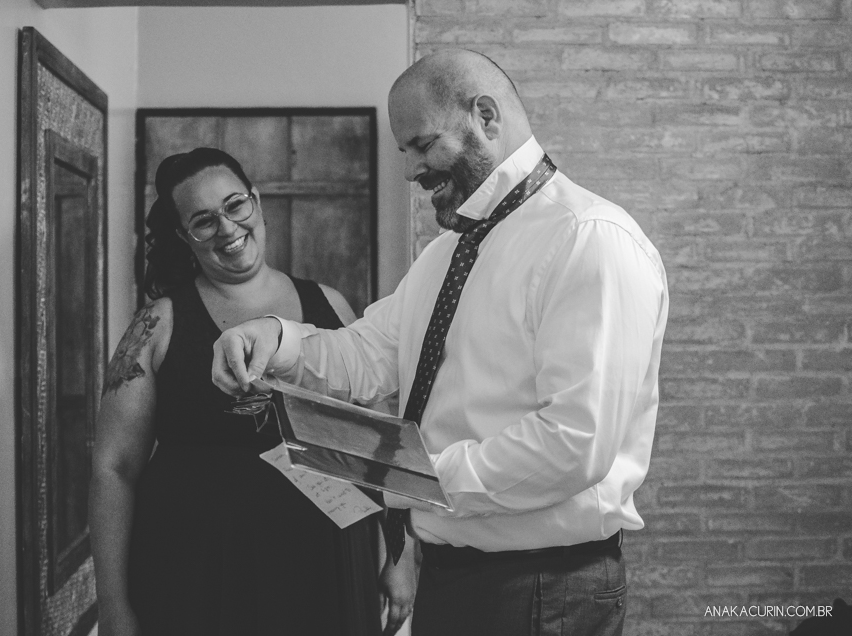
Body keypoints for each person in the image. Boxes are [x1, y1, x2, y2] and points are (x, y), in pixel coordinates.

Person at [212, 49, 669, 636]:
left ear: (486, 117)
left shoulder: (590, 240)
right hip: (451, 576)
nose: (410, 171)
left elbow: (574, 445)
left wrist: (405, 476)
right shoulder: (445, 255)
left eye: (422, 145)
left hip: (543, 587)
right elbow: (367, 353)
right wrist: (273, 338)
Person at [89, 148, 416, 636]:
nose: (227, 228)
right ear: (183, 236)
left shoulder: (329, 306)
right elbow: (114, 467)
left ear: (257, 202)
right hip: (197, 571)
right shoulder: (157, 325)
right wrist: (112, 603)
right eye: (204, 220)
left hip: (324, 564)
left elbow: (377, 442)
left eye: (235, 205)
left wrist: (400, 555)